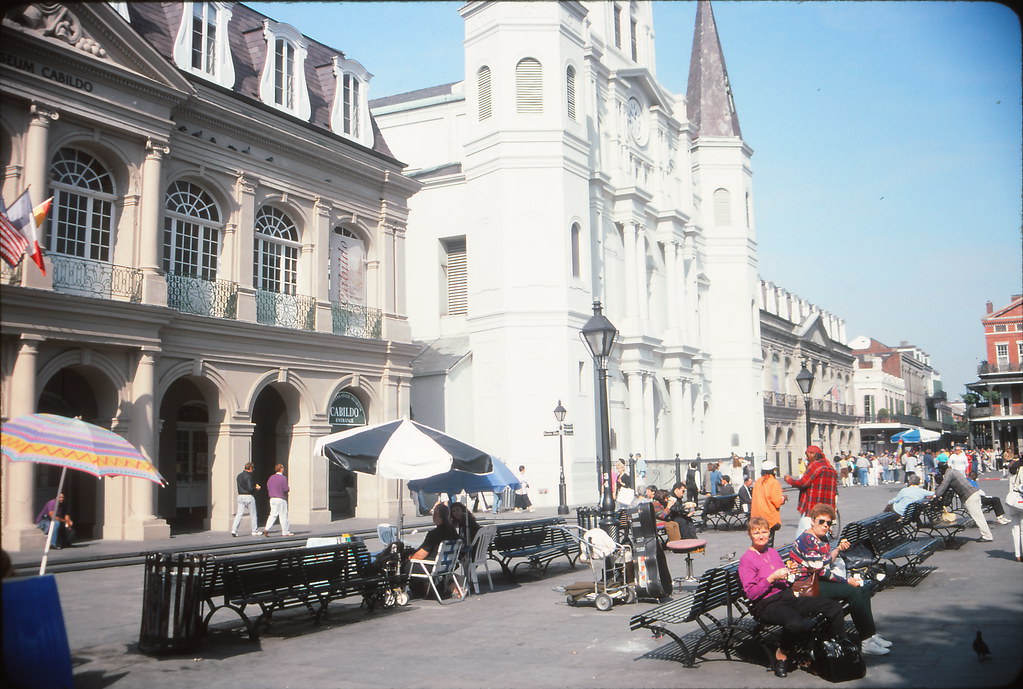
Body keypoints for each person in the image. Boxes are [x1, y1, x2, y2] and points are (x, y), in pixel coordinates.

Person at [738, 516, 847, 678]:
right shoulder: (746, 560)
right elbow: (752, 594)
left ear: (769, 533)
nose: (761, 536)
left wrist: (790, 575)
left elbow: (785, 576)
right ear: (750, 535)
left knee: (833, 608)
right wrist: (771, 578)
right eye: (756, 533)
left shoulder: (772, 552)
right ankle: (782, 653)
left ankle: (833, 650)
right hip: (767, 604)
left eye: (764, 532)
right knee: (796, 622)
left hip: (788, 596)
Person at [788, 503, 892, 657]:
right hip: (807, 585)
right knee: (853, 591)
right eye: (821, 522)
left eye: (829, 523)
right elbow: (821, 571)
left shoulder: (821, 537)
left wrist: (837, 549)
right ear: (812, 521)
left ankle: (870, 634)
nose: (825, 526)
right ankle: (866, 641)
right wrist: (845, 581)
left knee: (863, 588)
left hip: (818, 580)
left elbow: (826, 561)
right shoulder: (808, 540)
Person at [784, 445, 839, 538]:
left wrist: (789, 480)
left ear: (813, 454)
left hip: (812, 507)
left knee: (803, 535)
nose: (807, 457)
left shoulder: (815, 465)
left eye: (807, 454)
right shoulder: (830, 468)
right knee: (822, 535)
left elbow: (803, 482)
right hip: (827, 508)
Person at [929, 462, 993, 542]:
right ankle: (987, 534)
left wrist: (935, 495)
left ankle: (987, 536)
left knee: (978, 517)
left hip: (969, 496)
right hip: (974, 493)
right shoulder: (953, 471)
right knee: (979, 516)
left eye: (940, 470)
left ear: (942, 469)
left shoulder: (949, 474)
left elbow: (943, 486)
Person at [751, 462, 786, 547]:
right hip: (769, 518)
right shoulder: (773, 482)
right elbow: (777, 502)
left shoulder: (758, 482)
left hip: (756, 517)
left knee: (758, 543)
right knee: (767, 544)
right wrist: (783, 498)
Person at [231, 462, 262, 536]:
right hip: (248, 496)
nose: (253, 470)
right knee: (253, 514)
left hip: (240, 496)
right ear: (250, 468)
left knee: (239, 514)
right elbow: (250, 488)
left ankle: (234, 530)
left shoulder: (239, 476)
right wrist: (256, 488)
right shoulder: (249, 476)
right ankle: (254, 530)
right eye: (253, 468)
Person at [263, 464, 294, 537]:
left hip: (272, 498)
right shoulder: (283, 478)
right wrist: (288, 489)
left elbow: (268, 486)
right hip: (280, 498)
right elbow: (285, 489)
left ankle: (267, 528)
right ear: (281, 469)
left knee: (272, 515)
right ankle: (285, 531)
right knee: (283, 515)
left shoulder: (271, 477)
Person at [1003, 456, 1023, 562]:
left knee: (1015, 529)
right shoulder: (1022, 470)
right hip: (1020, 501)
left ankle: (1017, 554)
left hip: (1011, 500)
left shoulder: (1012, 469)